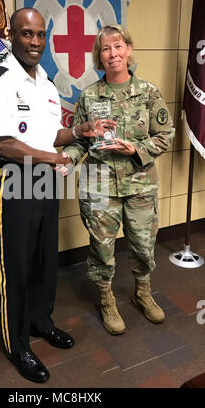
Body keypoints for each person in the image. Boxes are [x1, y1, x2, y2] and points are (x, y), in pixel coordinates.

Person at [0, 8, 102, 383]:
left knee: (46, 259)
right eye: (27, 34)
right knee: (17, 265)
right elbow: (2, 143)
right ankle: (18, 345)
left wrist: (81, 130)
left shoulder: (45, 83)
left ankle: (41, 321)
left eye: (41, 35)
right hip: (14, 179)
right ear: (11, 36)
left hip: (45, 179)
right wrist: (51, 157)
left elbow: (50, 134)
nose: (35, 42)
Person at [63, 24, 175, 335]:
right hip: (98, 183)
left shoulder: (149, 92)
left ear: (128, 49)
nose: (113, 53)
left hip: (140, 182)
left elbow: (164, 136)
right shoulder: (88, 96)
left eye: (118, 46)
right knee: (102, 246)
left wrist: (135, 148)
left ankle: (142, 293)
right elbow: (80, 140)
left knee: (142, 243)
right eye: (106, 48)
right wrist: (66, 160)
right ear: (99, 56)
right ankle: (106, 300)